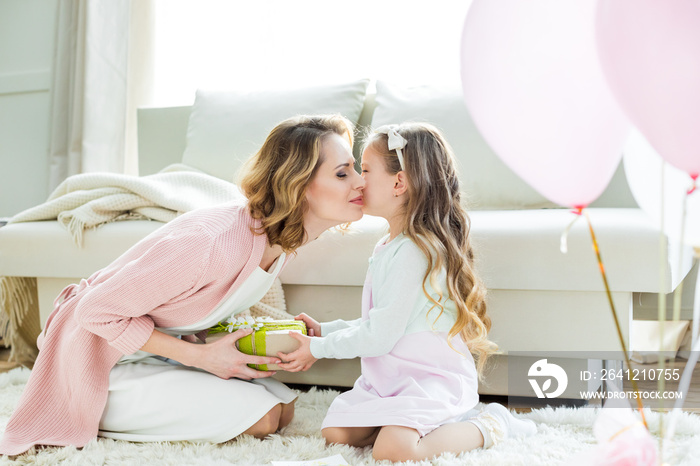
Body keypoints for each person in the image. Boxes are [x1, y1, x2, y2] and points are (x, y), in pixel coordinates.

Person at [0, 114, 366, 456]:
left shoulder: (278, 240)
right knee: (263, 419)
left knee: (284, 408)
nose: (360, 182)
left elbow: (204, 306)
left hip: (151, 352)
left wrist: (279, 333)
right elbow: (93, 311)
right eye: (342, 173)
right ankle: (88, 410)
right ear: (298, 185)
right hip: (97, 360)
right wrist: (203, 358)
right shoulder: (211, 242)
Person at [279, 123, 537, 462]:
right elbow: (381, 321)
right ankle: (403, 421)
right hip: (393, 378)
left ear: (399, 183)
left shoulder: (415, 251)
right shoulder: (389, 244)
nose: (358, 180)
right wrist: (326, 330)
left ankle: (491, 422)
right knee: (337, 434)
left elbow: (379, 337)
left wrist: (319, 347)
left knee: (394, 451)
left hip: (429, 380)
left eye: (366, 170)